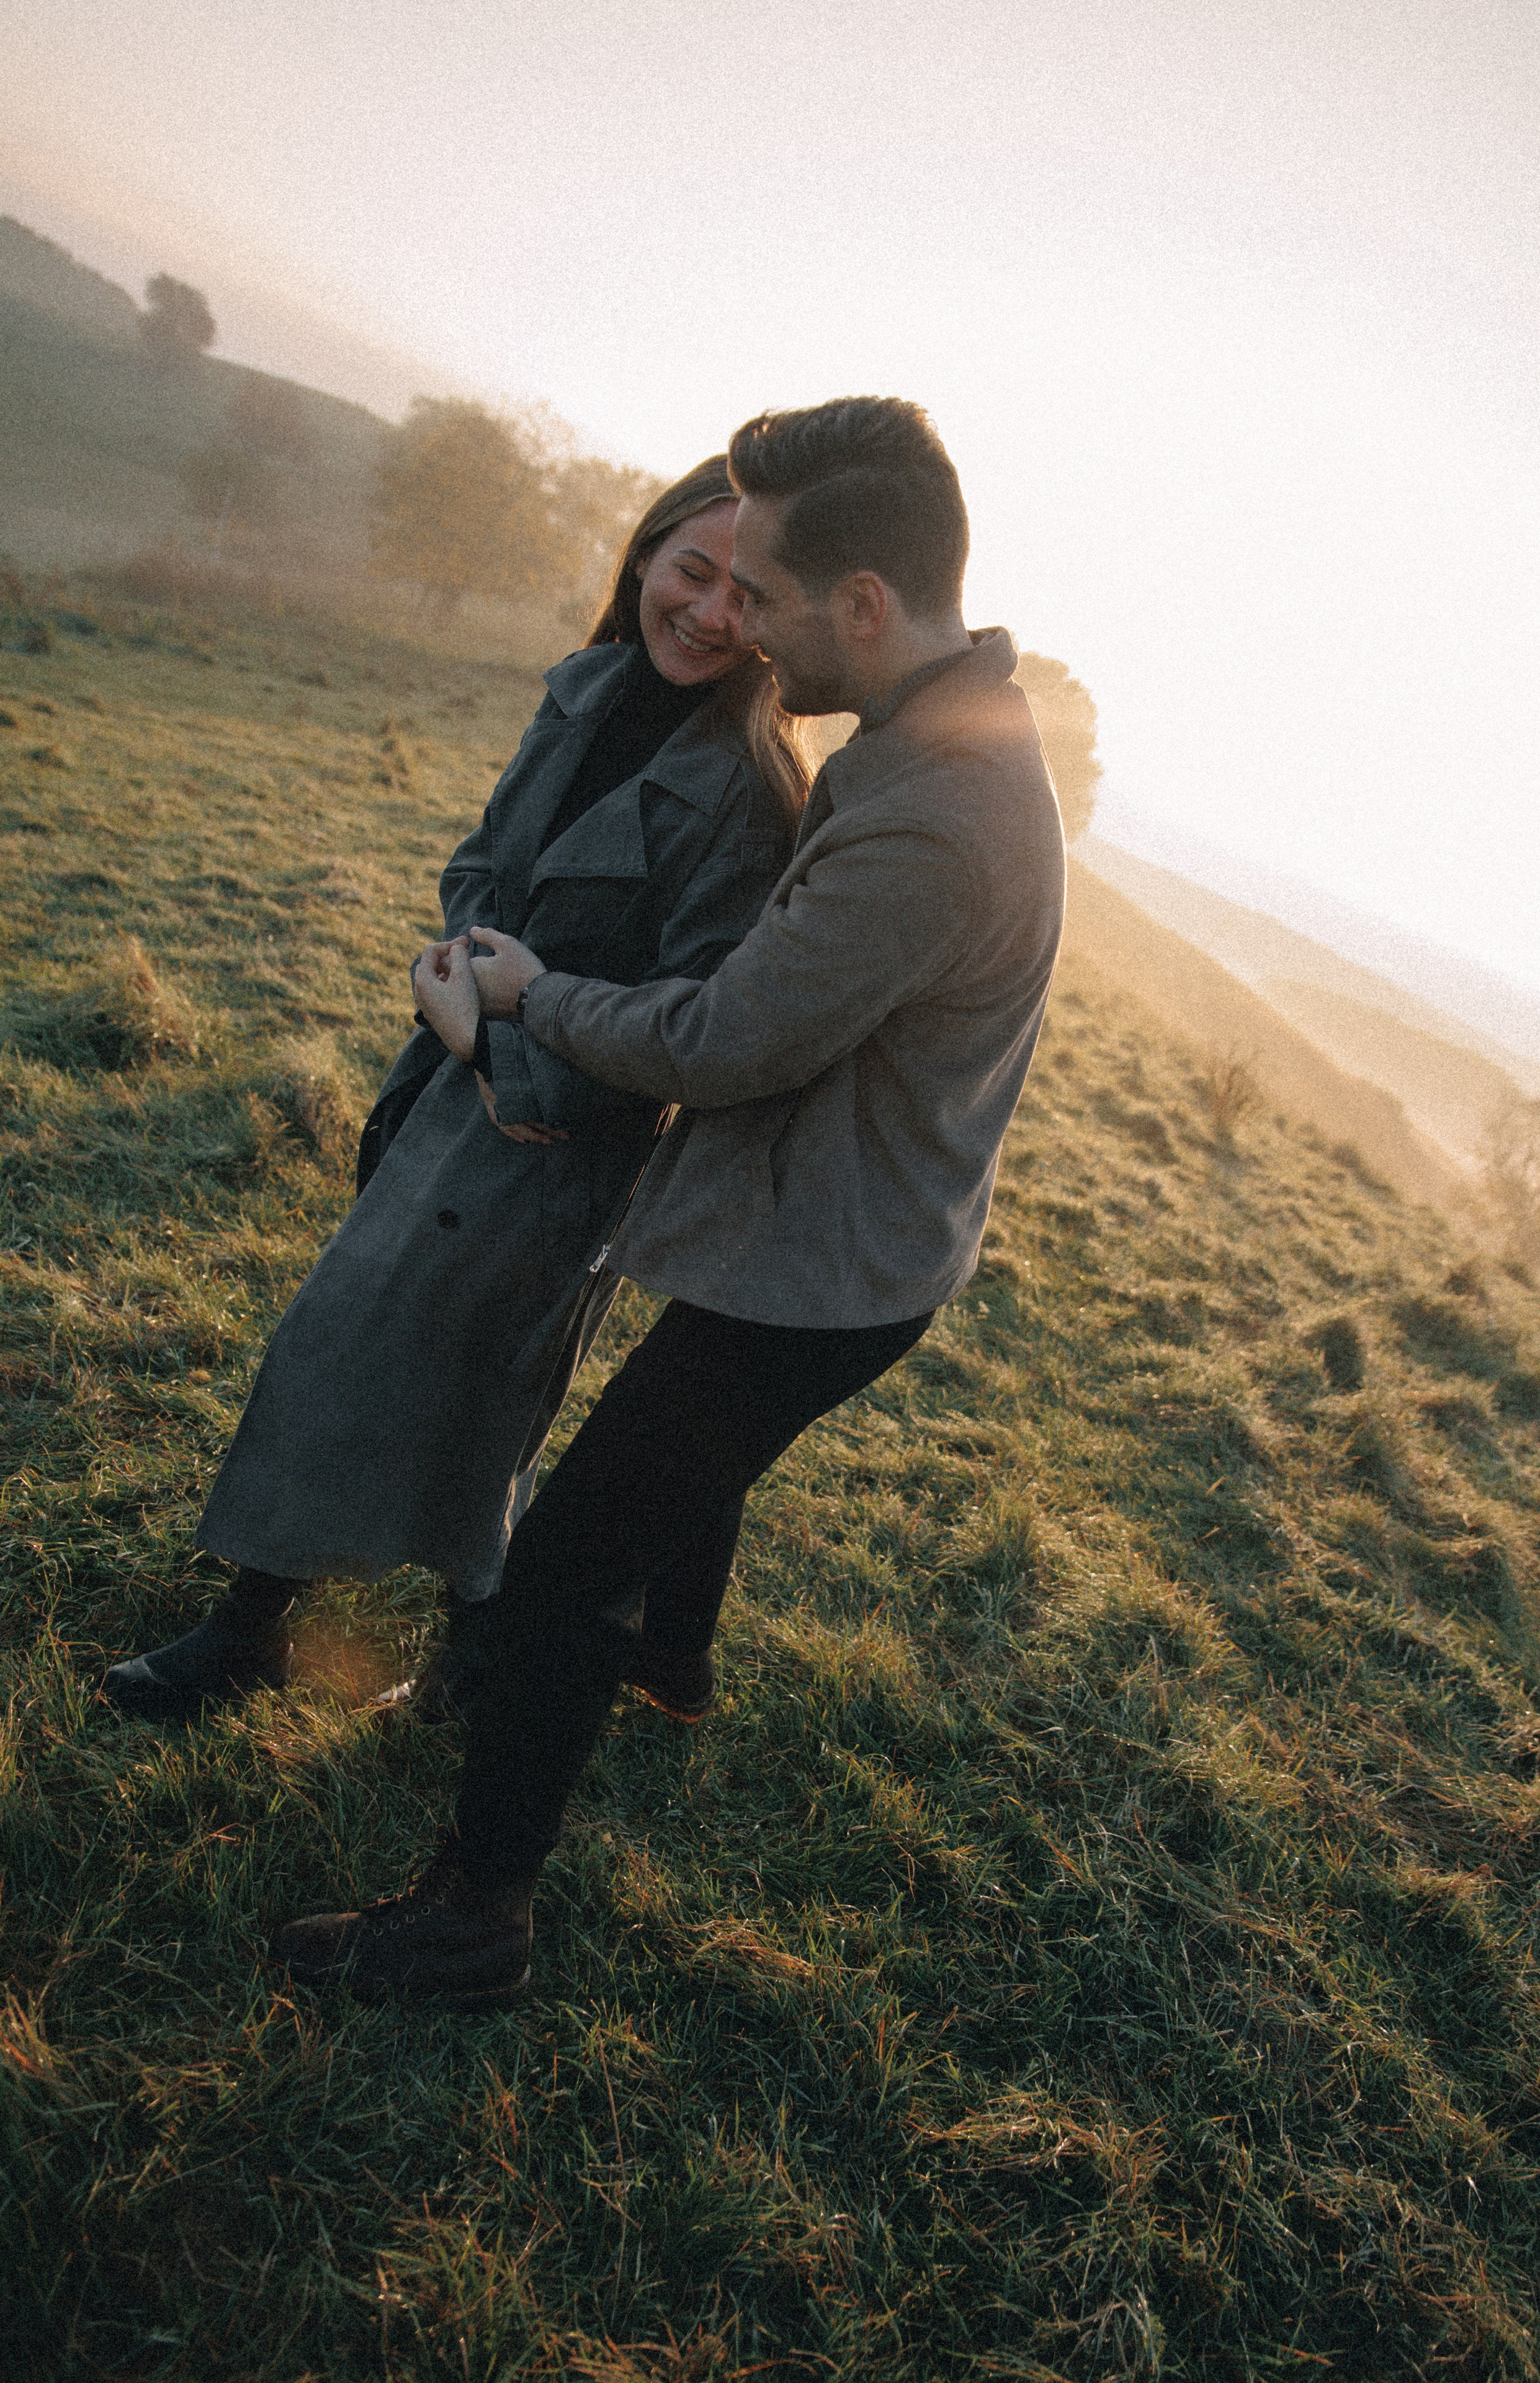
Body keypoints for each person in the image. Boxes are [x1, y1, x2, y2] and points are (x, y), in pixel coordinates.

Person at [273, 395, 1067, 2010]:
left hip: (821, 1268)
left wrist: (533, 989)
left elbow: (726, 1040)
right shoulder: (938, 731)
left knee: (564, 1568)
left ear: (860, 604)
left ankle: (472, 1918)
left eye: (765, 594)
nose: (745, 633)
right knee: (669, 1474)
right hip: (844, 1228)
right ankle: (675, 1658)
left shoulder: (928, 809)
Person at [102, 456, 810, 1724]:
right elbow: (488, 853)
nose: (708, 613)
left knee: (478, 1411)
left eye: (748, 595)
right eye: (691, 571)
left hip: (559, 1144)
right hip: (443, 1091)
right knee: (346, 1349)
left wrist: (502, 1046)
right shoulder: (585, 690)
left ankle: (443, 1661)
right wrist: (467, 969)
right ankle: (265, 1625)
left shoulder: (753, 798)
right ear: (643, 556)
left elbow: (686, 1017)